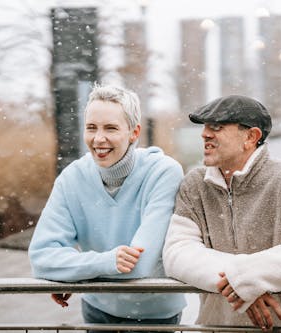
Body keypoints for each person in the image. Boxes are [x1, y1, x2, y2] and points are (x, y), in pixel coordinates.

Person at [163, 95, 281, 331]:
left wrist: (251, 276)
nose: (205, 134)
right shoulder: (195, 184)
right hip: (219, 328)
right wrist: (240, 282)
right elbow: (177, 253)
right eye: (205, 127)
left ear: (251, 137)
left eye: (217, 127)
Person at [28, 84, 186, 332]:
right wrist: (105, 262)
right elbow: (41, 259)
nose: (98, 139)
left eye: (110, 128)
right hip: (97, 312)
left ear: (134, 133)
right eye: (91, 128)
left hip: (156, 315)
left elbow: (139, 265)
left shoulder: (163, 172)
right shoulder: (72, 178)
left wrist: (72, 271)